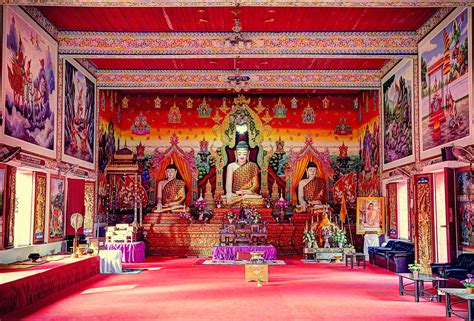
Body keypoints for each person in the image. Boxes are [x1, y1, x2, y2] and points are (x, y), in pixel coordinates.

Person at [225, 141, 262, 206]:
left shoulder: (253, 165)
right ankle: (240, 200)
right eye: (239, 154)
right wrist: (229, 195)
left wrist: (248, 191)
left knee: (260, 199)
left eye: (244, 154)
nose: (242, 156)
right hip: (235, 194)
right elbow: (228, 185)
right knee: (225, 199)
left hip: (249, 194)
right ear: (235, 153)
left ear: (248, 153)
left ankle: (241, 199)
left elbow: (256, 184)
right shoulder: (231, 166)